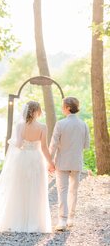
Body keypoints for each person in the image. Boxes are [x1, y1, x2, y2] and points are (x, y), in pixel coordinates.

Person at [0, 101, 55, 235]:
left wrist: (12, 142)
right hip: (36, 159)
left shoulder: (20, 125)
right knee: (36, 188)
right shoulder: (43, 127)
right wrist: (51, 163)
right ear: (37, 111)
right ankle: (35, 222)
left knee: (19, 188)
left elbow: (19, 144)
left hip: (22, 159)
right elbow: (44, 147)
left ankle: (18, 220)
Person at [49, 96, 90, 231]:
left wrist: (50, 161)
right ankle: (71, 218)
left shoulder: (60, 124)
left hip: (62, 162)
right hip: (76, 162)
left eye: (63, 106)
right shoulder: (83, 124)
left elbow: (53, 145)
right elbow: (86, 145)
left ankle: (62, 220)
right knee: (74, 191)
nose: (62, 109)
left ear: (67, 108)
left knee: (63, 191)